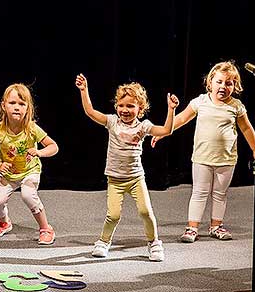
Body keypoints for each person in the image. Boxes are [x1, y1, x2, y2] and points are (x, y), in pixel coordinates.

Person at [75, 73, 179, 261]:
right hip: (115, 179)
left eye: (130, 106)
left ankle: (154, 243)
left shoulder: (143, 126)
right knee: (113, 215)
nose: (125, 109)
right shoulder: (112, 122)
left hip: (135, 178)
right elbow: (90, 111)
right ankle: (103, 242)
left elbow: (166, 130)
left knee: (146, 212)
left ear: (140, 109)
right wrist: (84, 90)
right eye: (121, 105)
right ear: (116, 107)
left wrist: (171, 109)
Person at [151, 61, 255, 243]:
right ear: (210, 82)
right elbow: (182, 119)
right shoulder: (200, 102)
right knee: (199, 192)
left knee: (220, 193)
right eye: (219, 82)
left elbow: (247, 129)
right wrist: (162, 132)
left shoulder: (236, 106)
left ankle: (216, 226)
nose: (223, 86)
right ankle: (192, 228)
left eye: (229, 83)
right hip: (202, 158)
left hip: (226, 159)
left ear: (235, 86)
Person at [0, 83, 59, 245]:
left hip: (29, 170)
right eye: (12, 103)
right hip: (9, 174)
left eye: (21, 104)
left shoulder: (32, 128)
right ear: (4, 106)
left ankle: (46, 228)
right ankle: (4, 222)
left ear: (28, 108)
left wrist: (39, 152)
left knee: (28, 195)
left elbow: (53, 147)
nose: (16, 107)